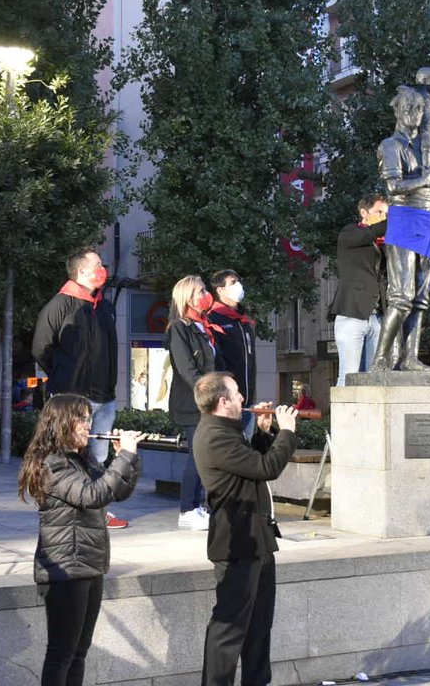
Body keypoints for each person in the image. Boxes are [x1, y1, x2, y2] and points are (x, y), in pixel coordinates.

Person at [18, 394, 144, 686]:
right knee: (61, 653)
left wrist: (126, 459)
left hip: (89, 563)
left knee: (79, 652)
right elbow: (92, 495)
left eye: (89, 419)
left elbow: (117, 492)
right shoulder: (52, 464)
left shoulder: (81, 459)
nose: (88, 426)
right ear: (62, 423)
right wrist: (123, 457)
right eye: (82, 420)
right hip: (65, 568)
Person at [191, 371, 298, 686]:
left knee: (259, 626)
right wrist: (287, 431)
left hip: (257, 539)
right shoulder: (214, 435)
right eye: (237, 393)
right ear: (223, 402)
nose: (242, 398)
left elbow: (250, 466)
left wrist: (263, 434)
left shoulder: (226, 431)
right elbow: (267, 468)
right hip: (237, 542)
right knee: (228, 629)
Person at [32, 248, 128, 529]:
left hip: (105, 395)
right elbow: (41, 348)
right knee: (68, 453)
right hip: (73, 396)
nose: (102, 268)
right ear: (82, 271)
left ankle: (98, 509)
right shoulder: (60, 305)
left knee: (99, 456)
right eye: (97, 264)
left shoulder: (104, 306)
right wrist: (65, 376)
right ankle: (68, 506)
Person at [370, 76, 430, 372]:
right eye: (410, 109)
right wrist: (425, 178)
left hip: (428, 221)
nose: (415, 115)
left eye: (419, 109)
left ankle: (409, 357)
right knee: (401, 296)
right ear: (399, 111)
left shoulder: (427, 148)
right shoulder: (390, 146)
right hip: (404, 219)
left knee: (420, 299)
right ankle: (381, 359)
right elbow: (393, 187)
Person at [166, 274, 219, 531]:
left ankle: (202, 507)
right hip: (192, 402)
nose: (205, 295)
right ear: (187, 297)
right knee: (196, 455)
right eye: (200, 291)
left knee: (206, 455)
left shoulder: (204, 327)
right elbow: (187, 369)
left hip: (208, 400)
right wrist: (209, 394)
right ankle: (187, 509)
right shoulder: (179, 328)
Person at [329, 195, 388, 386]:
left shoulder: (384, 243)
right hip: (351, 314)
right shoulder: (350, 234)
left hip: (377, 317)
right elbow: (371, 233)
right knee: (348, 375)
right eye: (379, 212)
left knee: (375, 378)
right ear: (364, 212)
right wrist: (399, 218)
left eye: (387, 214)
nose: (384, 217)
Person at [207, 269, 257, 439]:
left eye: (238, 281)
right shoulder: (213, 319)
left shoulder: (243, 321)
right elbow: (215, 361)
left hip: (247, 402)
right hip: (227, 403)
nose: (238, 286)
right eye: (233, 282)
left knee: (245, 448)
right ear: (220, 290)